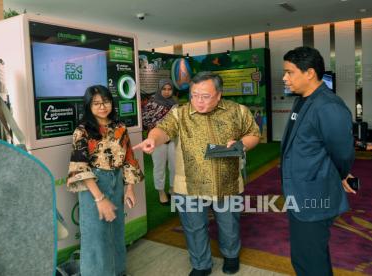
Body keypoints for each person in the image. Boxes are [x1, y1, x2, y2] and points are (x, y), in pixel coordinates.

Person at [133, 72, 260, 275]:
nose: (198, 101)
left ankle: (231, 255)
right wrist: (153, 139)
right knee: (193, 227)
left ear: (218, 95)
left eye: (205, 96)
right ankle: (201, 264)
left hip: (226, 181)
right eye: (194, 95)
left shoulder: (237, 111)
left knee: (229, 224)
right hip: (188, 183)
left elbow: (253, 133)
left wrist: (241, 144)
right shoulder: (180, 113)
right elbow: (163, 129)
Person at [281, 46, 356, 276]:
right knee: (304, 257)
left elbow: (342, 152)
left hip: (314, 198)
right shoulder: (302, 100)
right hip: (299, 193)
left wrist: (343, 175)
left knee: (311, 263)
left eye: (290, 72)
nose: (284, 78)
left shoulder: (329, 106)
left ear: (310, 73)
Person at [67, 85, 144, 276]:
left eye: (106, 102)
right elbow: (80, 168)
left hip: (117, 180)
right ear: (88, 106)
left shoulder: (120, 127)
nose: (102, 107)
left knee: (116, 231)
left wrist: (129, 189)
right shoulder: (82, 131)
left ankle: (118, 271)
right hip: (93, 184)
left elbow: (129, 158)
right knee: (96, 235)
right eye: (96, 103)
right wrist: (100, 199)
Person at [142, 78, 178, 204]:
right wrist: (160, 127)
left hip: (173, 139)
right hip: (157, 140)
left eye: (169, 89)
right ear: (159, 89)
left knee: (174, 166)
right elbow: (145, 121)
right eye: (164, 89)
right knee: (159, 167)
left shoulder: (175, 103)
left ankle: (173, 189)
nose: (167, 92)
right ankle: (161, 192)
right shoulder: (151, 103)